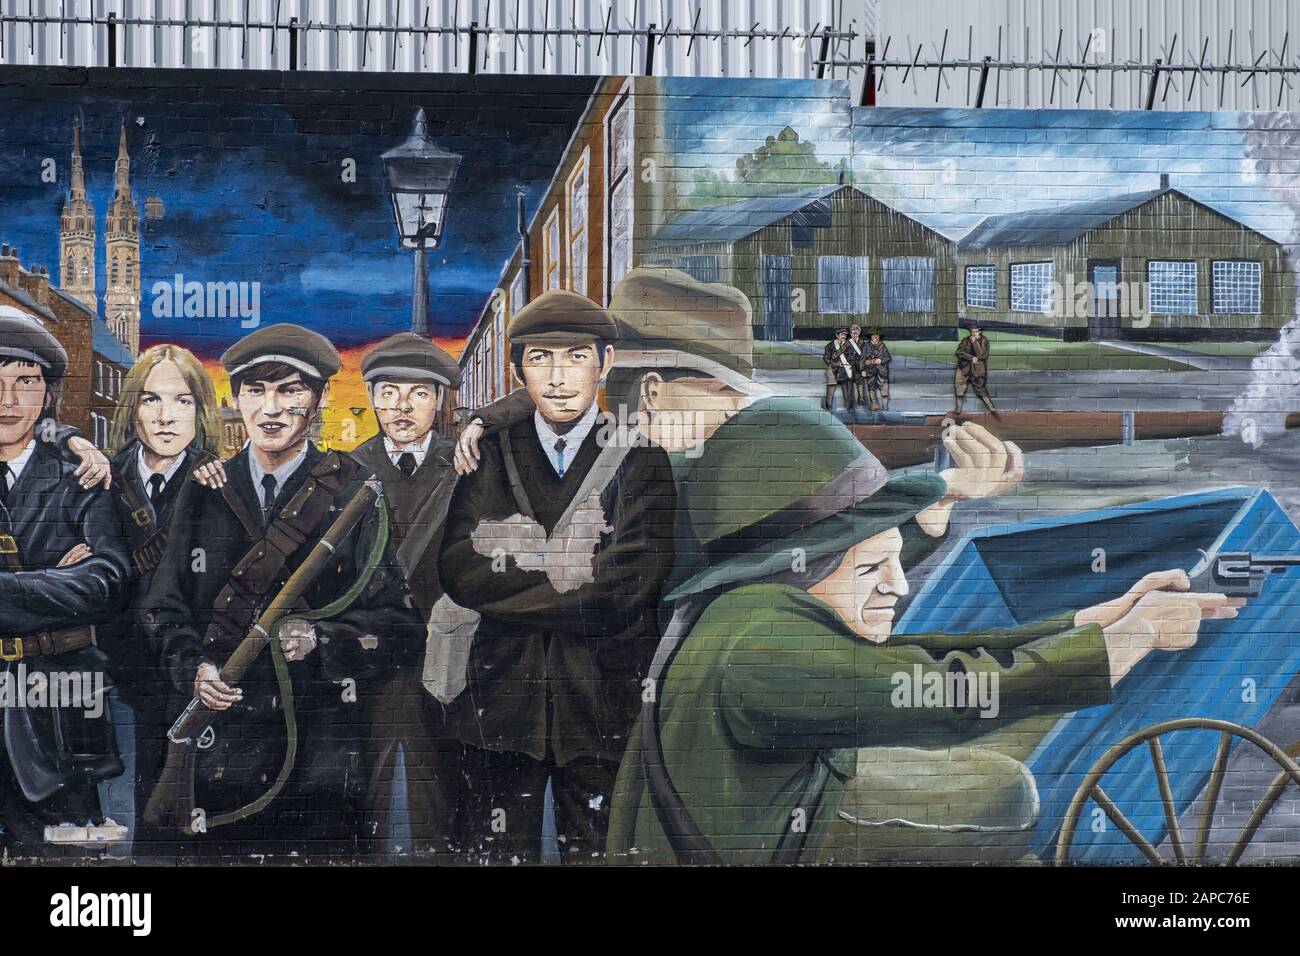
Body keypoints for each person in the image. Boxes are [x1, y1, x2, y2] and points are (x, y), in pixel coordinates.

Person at [605, 398, 1240, 864]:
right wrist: (1133, 639)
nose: (900, 582)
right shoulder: (765, 646)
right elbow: (948, 692)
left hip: (764, 814)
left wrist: (1085, 623)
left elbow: (928, 657)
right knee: (1003, 794)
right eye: (874, 564)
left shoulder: (751, 607)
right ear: (807, 565)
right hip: (773, 844)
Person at [143, 323, 421, 860]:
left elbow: (402, 627)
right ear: (235, 399)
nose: (271, 409)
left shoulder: (353, 495)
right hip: (220, 746)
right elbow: (162, 607)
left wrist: (323, 638)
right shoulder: (205, 492)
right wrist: (193, 668)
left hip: (318, 751)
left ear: (317, 400)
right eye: (256, 390)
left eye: (290, 390)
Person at [437, 290, 677, 863]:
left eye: (575, 357)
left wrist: (515, 577)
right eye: (540, 358)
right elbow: (459, 569)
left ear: (606, 362)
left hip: (601, 706)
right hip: (498, 704)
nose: (559, 376)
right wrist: (570, 572)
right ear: (518, 369)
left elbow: (625, 589)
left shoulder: (642, 460)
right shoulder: (490, 454)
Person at [454, 267, 766, 593]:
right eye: (724, 393)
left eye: (577, 357)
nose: (736, 408)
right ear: (652, 392)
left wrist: (486, 418)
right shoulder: (667, 475)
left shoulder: (679, 470)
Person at [0, 311, 133, 856]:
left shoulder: (79, 477)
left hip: (55, 706)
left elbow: (106, 582)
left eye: (24, 382)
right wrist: (56, 577)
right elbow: (77, 584)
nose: (7, 400)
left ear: (47, 394)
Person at [101, 344, 223, 854]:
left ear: (202, 410)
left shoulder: (221, 485)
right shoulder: (99, 478)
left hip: (182, 669)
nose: (166, 416)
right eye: (151, 400)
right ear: (133, 409)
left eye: (182, 400)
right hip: (110, 670)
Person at [348, 333, 463, 858]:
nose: (401, 407)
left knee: (437, 792)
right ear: (372, 398)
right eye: (388, 392)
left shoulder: (463, 461)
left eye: (418, 394)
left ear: (439, 400)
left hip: (446, 655)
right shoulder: (347, 470)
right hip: (372, 657)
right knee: (361, 790)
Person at [955, 322, 995, 413]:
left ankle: (991, 408)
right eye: (972, 331)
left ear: (979, 332)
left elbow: (983, 355)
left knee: (981, 390)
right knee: (959, 390)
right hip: (964, 368)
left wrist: (975, 343)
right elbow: (959, 352)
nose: (973, 333)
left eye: (976, 331)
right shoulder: (966, 340)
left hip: (978, 370)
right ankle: (958, 410)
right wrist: (971, 357)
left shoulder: (984, 341)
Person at [821, 327, 854, 412]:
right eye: (842, 334)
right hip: (833, 368)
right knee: (831, 387)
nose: (843, 336)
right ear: (837, 335)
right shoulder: (831, 345)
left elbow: (852, 357)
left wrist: (846, 363)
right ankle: (829, 405)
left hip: (844, 369)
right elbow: (826, 358)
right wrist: (835, 364)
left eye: (845, 335)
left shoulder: (849, 345)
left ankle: (848, 406)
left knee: (846, 387)